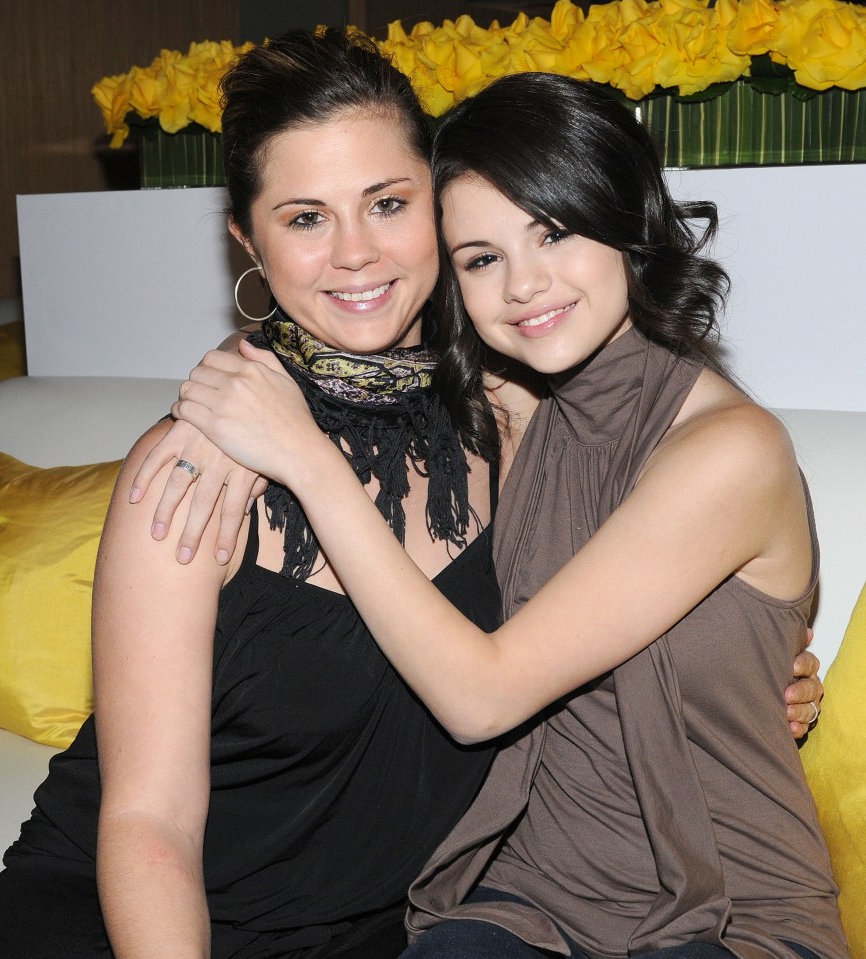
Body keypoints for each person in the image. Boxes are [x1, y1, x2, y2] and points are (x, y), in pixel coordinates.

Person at [163, 72, 847, 959]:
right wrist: (232, 392)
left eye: (553, 232)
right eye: (482, 258)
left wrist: (300, 452)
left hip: (728, 909)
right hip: (523, 896)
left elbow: (482, 697)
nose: (525, 285)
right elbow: (336, 339)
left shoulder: (731, 451)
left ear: (626, 218)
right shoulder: (513, 404)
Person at [0, 30, 505, 959]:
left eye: (386, 202)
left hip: (382, 929)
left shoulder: (515, 420)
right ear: (249, 242)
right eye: (305, 218)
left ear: (443, 206)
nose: (356, 254)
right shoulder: (193, 462)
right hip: (135, 924)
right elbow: (148, 820)